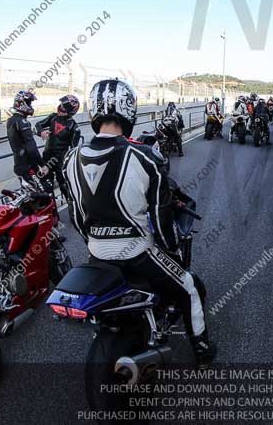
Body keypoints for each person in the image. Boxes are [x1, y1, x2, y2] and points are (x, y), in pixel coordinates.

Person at [63, 79, 216, 368]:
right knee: (189, 286)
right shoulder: (146, 157)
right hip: (138, 253)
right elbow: (162, 216)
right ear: (129, 111)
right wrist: (172, 253)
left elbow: (76, 216)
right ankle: (203, 349)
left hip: (96, 252)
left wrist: (96, 242)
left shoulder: (70, 159)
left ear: (93, 111)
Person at [35, 94, 81, 201]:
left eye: (63, 105)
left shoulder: (74, 127)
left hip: (61, 160)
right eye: (60, 104)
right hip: (47, 158)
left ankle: (72, 209)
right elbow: (38, 124)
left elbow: (74, 149)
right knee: (47, 187)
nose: (60, 107)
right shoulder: (53, 116)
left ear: (70, 109)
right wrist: (40, 132)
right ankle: (52, 213)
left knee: (64, 186)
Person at [6, 90, 49, 190]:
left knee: (30, 196)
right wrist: (43, 165)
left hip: (19, 163)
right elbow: (31, 148)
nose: (30, 105)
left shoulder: (11, 120)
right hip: (28, 165)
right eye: (29, 103)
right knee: (43, 193)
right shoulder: (23, 122)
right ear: (21, 104)